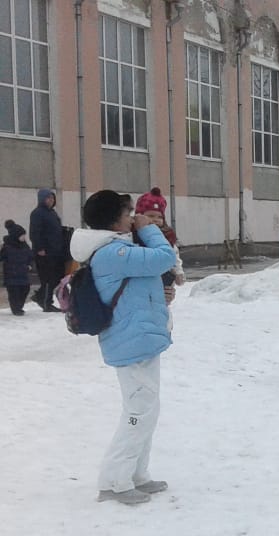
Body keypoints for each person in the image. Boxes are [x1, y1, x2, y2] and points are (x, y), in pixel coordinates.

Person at [70, 190, 177, 505]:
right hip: (129, 342)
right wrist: (148, 228)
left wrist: (162, 292)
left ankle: (136, 473)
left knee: (148, 410)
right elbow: (164, 257)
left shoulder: (118, 249)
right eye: (129, 212)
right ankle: (113, 480)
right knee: (138, 411)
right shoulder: (111, 252)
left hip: (141, 337)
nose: (134, 216)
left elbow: (147, 278)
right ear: (114, 219)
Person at [29, 188, 65, 312]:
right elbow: (35, 232)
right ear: (42, 199)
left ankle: (40, 296)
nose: (51, 200)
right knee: (48, 278)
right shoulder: (37, 213)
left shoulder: (52, 213)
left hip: (55, 250)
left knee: (58, 276)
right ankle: (46, 302)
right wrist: (39, 248)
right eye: (48, 198)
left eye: (52, 198)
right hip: (44, 252)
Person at [1, 220, 35, 314]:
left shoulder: (25, 246)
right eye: (22, 235)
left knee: (25, 289)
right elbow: (2, 257)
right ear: (16, 236)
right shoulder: (7, 247)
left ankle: (19, 306)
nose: (24, 237)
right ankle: (16, 309)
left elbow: (30, 256)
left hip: (23, 273)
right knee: (14, 293)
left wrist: (30, 265)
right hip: (11, 274)